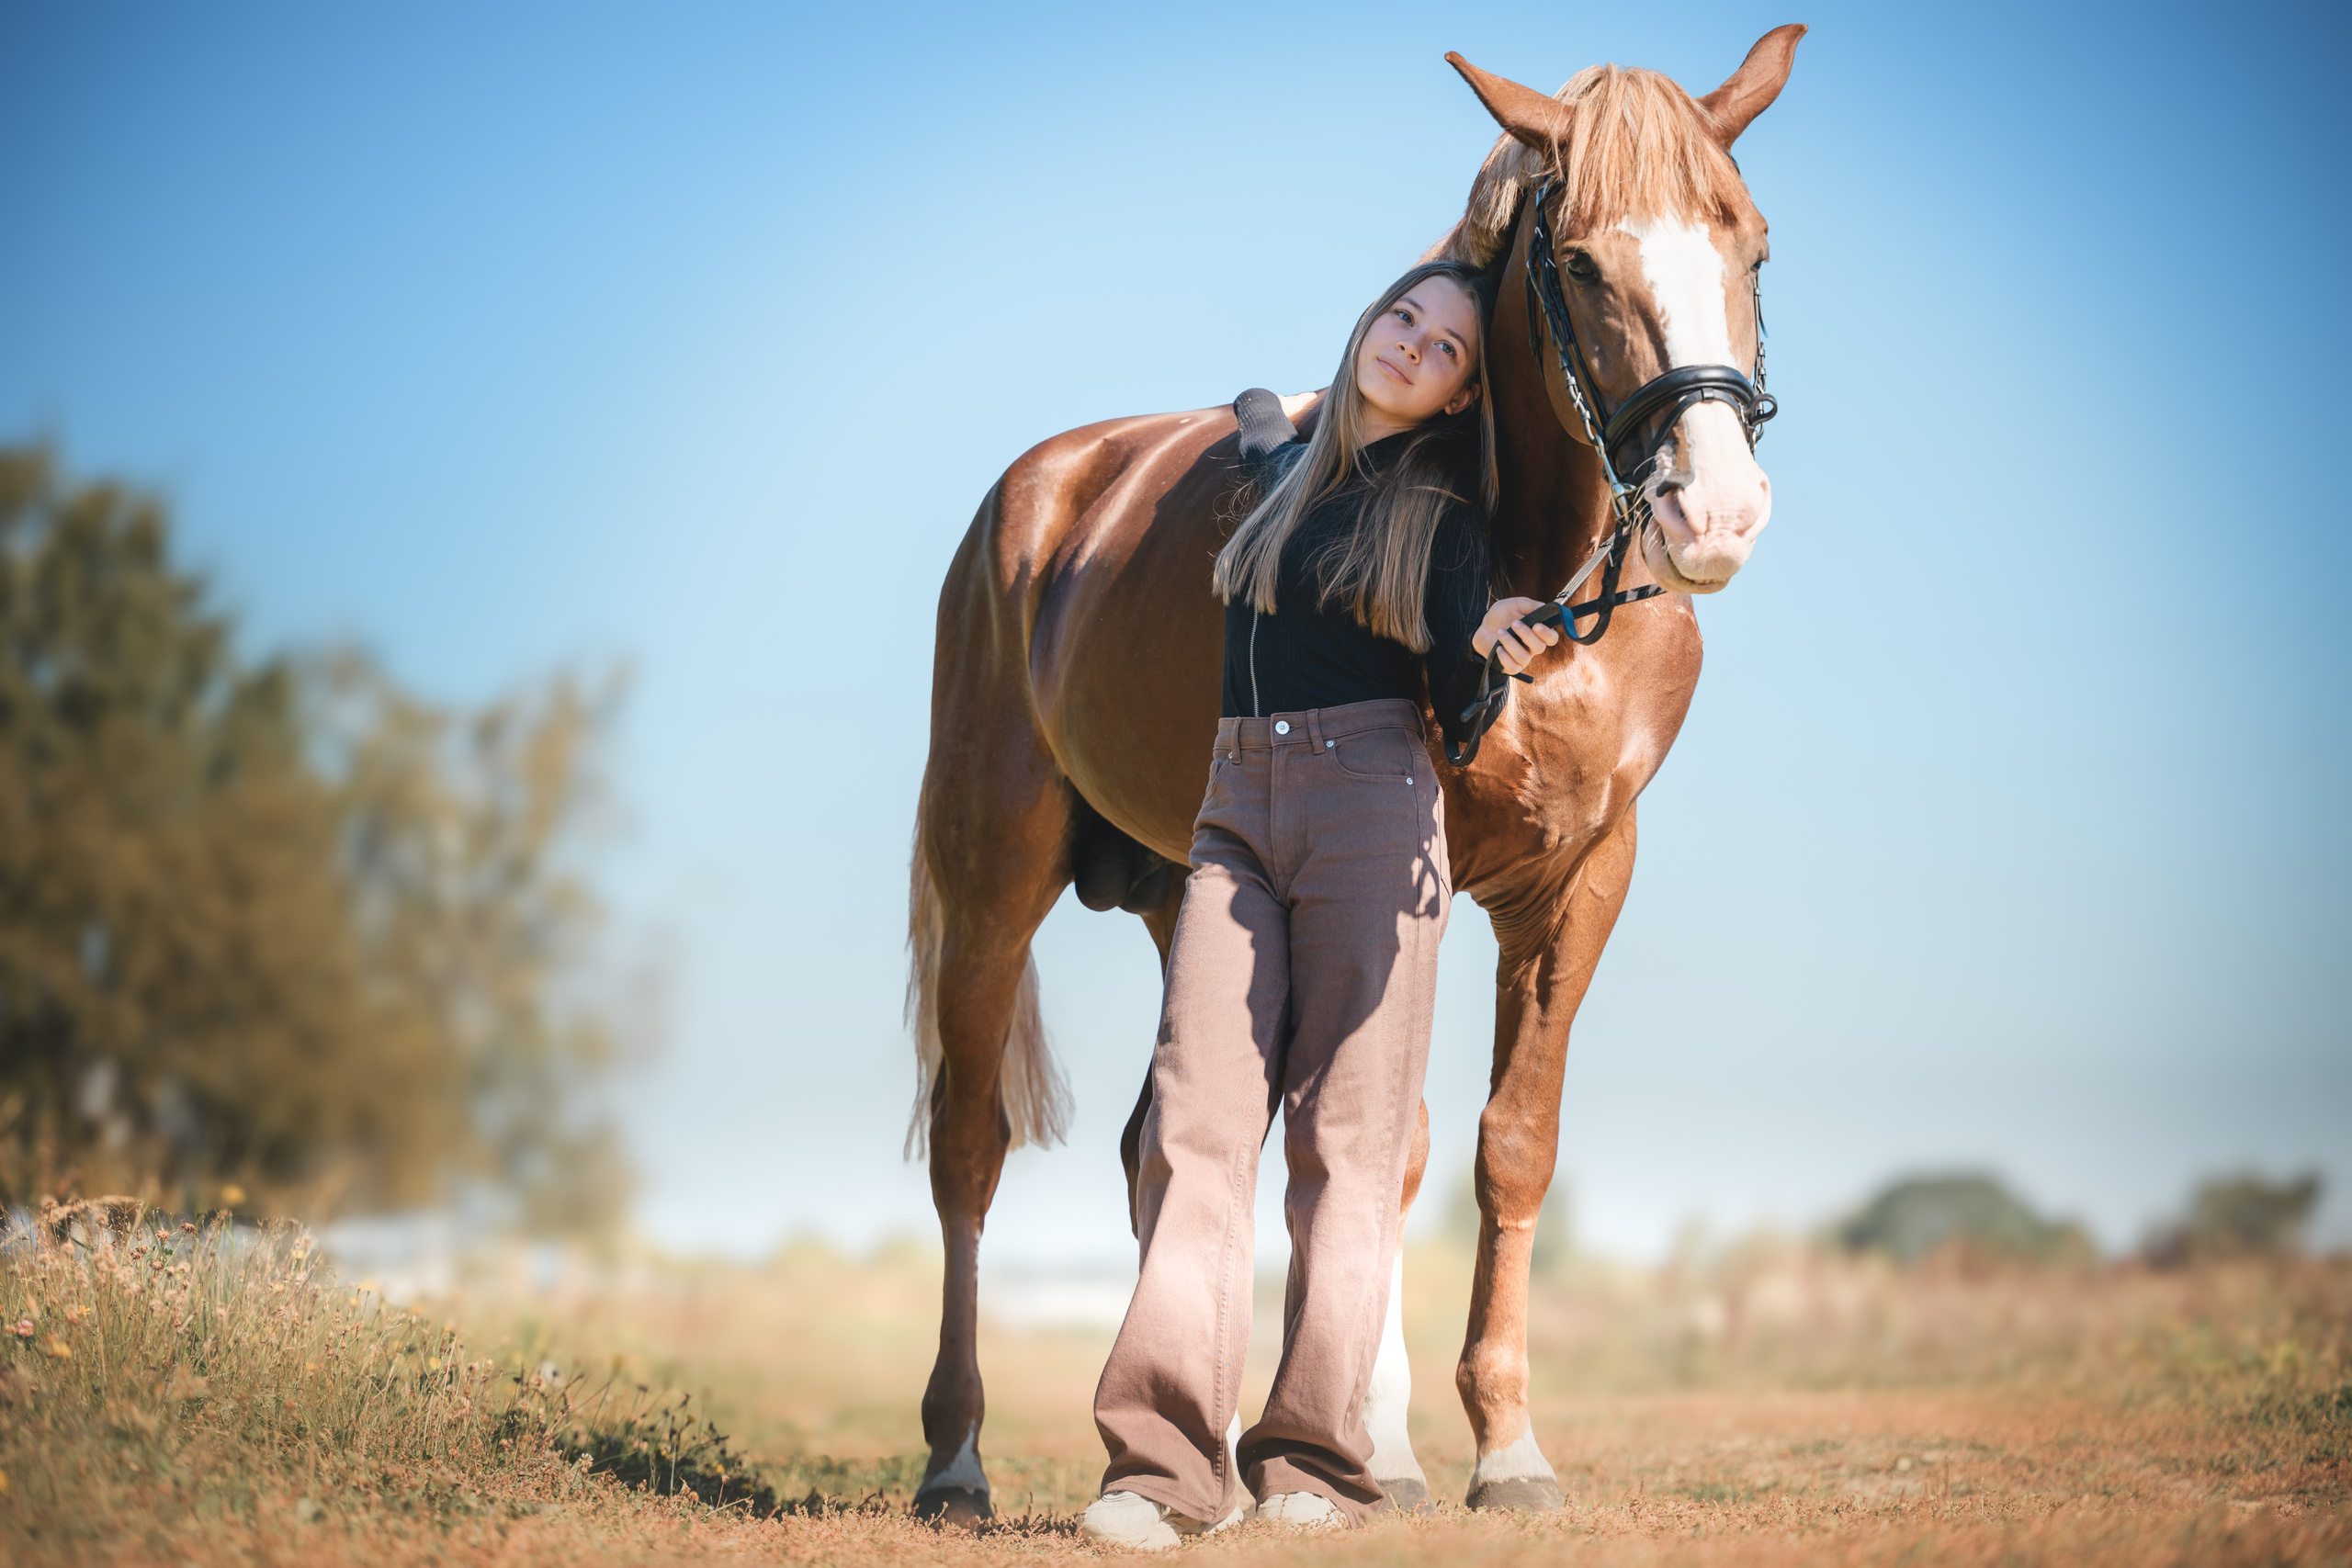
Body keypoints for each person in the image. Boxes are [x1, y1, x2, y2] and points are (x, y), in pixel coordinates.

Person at [1081, 260, 1565, 1549]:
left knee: (1346, 1148)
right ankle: (1162, 1474)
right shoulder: (1273, 476)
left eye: (1448, 350)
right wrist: (1302, 408)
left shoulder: (1445, 522)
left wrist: (1494, 644)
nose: (1413, 347)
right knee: (1192, 1122)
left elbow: (1466, 666)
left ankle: (1311, 1466)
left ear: (1466, 397)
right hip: (1234, 802)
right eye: (1403, 319)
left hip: (1372, 808)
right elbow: (1246, 408)